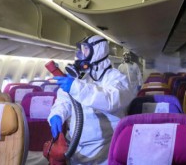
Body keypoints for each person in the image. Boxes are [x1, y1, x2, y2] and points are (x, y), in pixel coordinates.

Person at [48, 35, 133, 164]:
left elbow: (111, 100)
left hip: (106, 149)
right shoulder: (80, 78)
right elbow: (64, 101)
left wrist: (76, 87)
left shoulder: (117, 78)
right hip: (76, 147)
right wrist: (57, 115)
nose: (81, 54)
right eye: (81, 50)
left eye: (86, 49)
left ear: (98, 51)